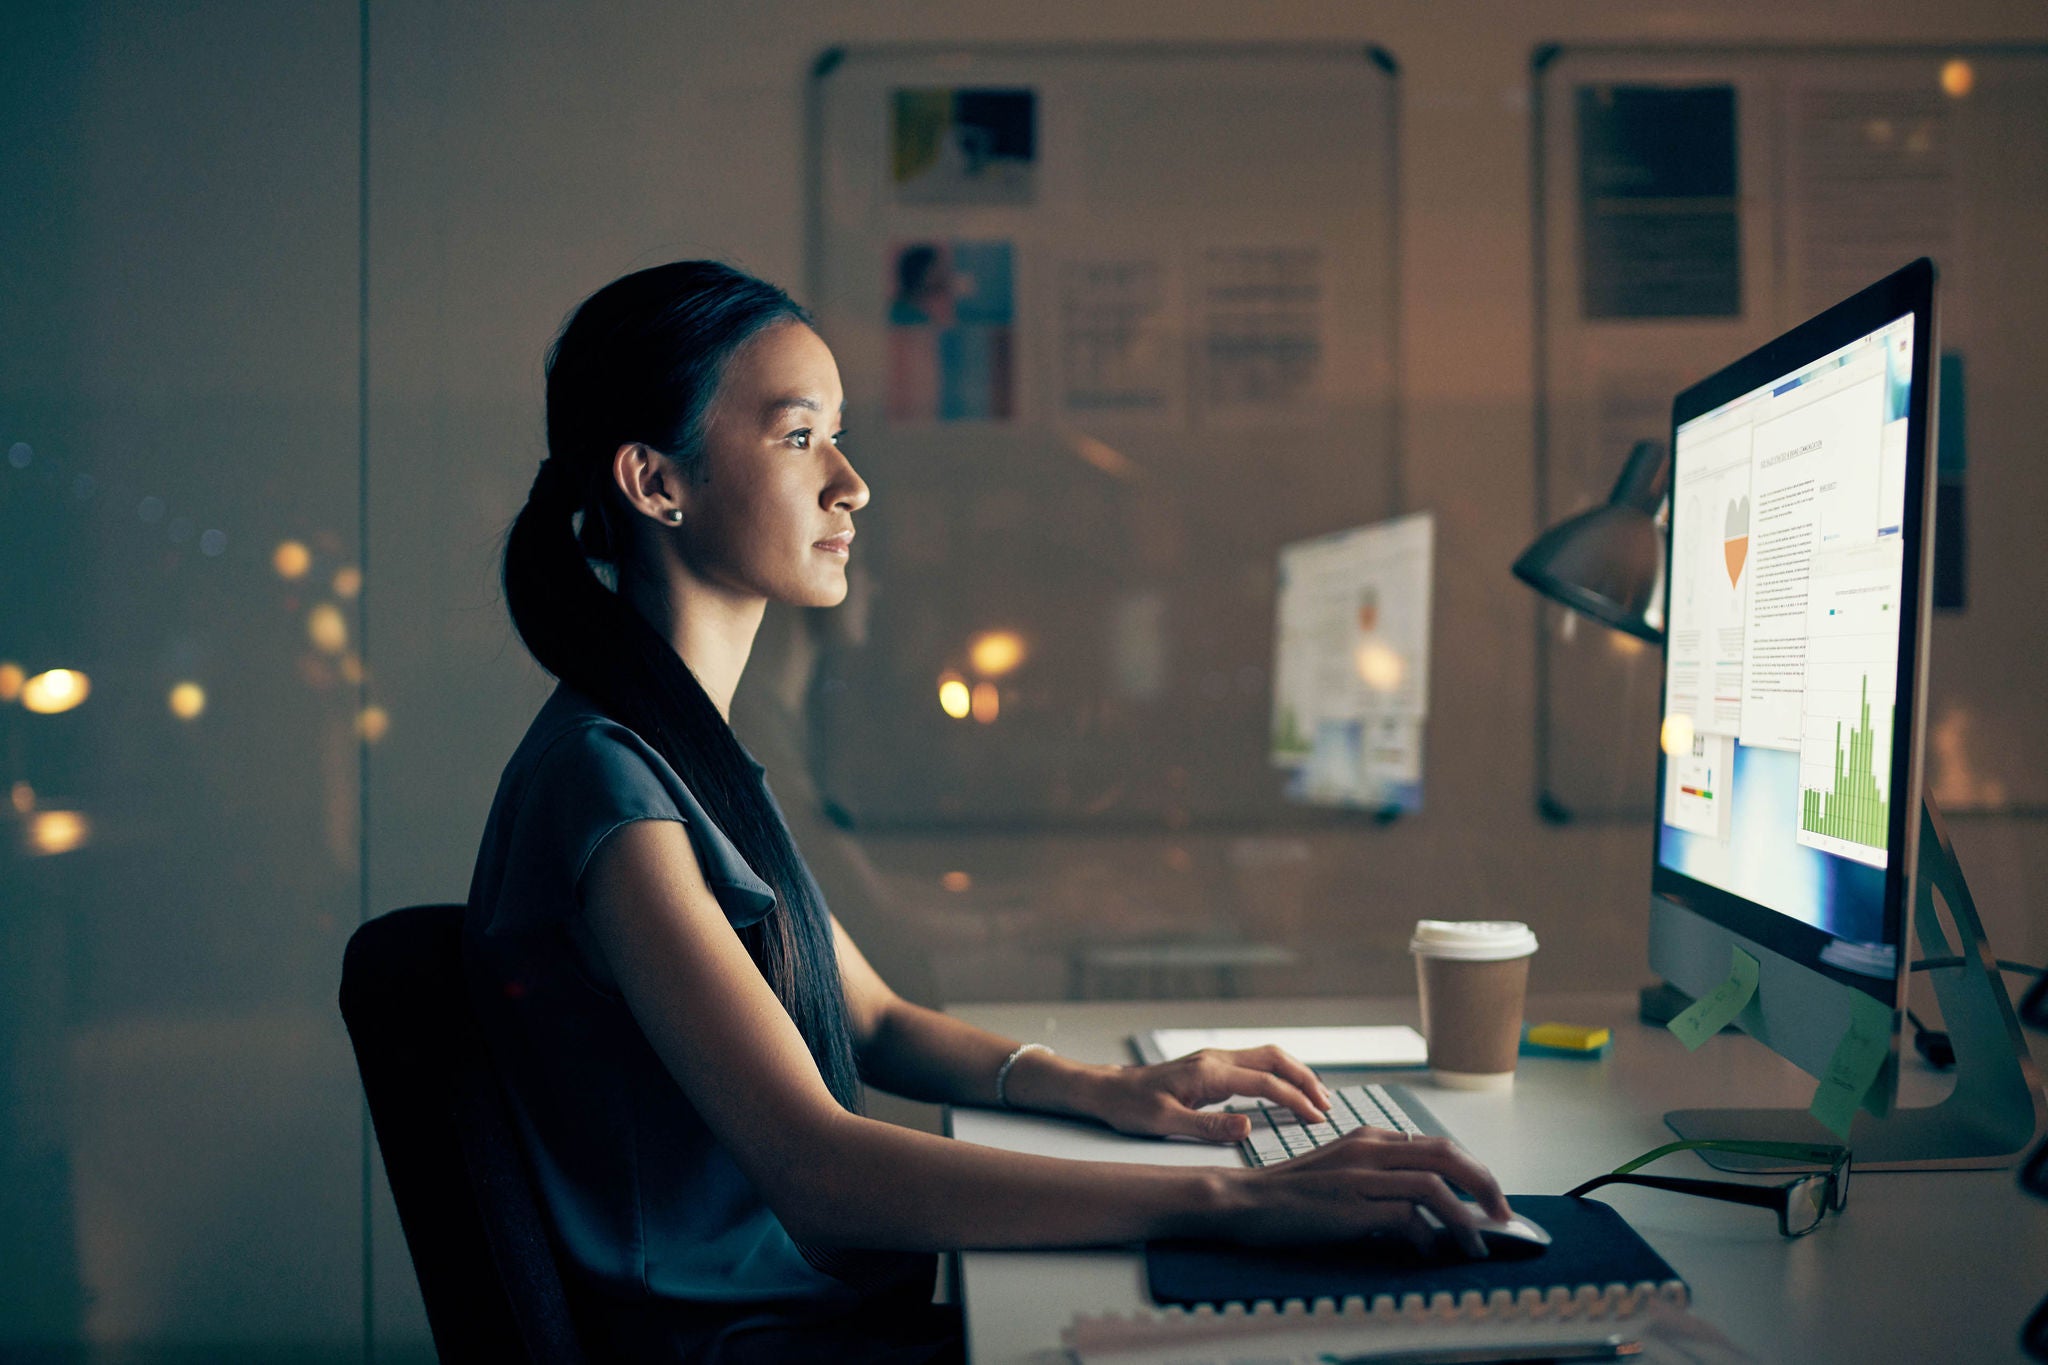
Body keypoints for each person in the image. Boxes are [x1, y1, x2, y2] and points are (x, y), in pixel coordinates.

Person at [468, 261, 1510, 1363]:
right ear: (654, 482)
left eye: (840, 434)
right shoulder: (609, 787)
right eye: (797, 435)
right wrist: (1237, 1200)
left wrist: (1111, 1088)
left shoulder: (677, 755)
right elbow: (819, 1174)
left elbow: (869, 1020)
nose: (851, 483)